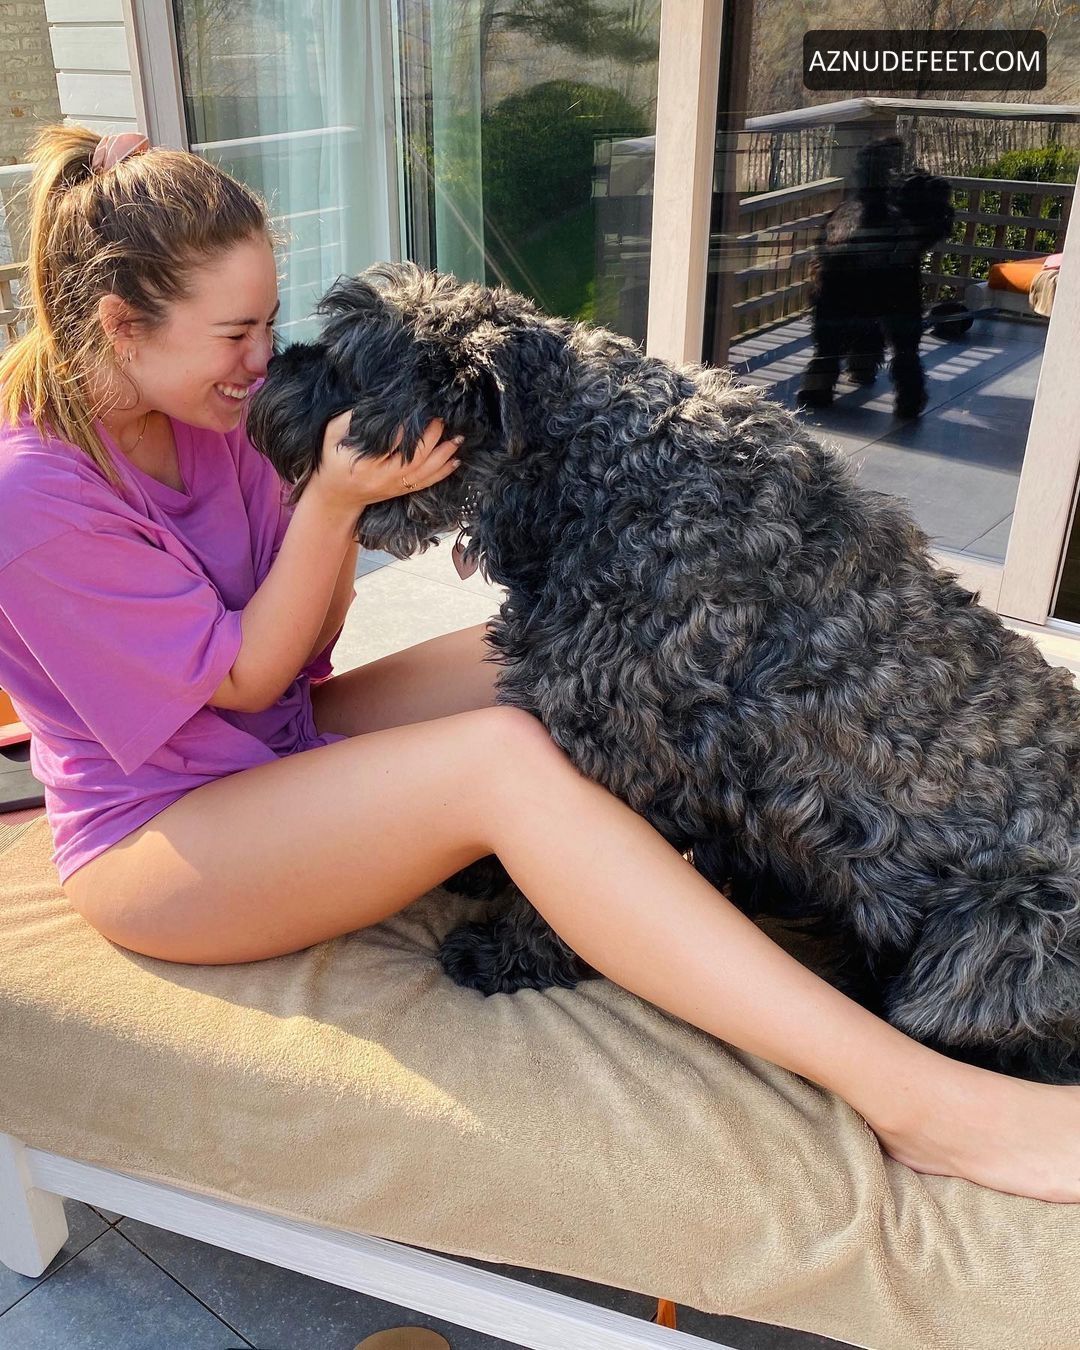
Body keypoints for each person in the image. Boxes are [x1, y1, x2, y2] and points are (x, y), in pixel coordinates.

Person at [2, 125, 1079, 1207]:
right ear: (122, 326)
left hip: (275, 736)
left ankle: (581, 854)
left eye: (271, 324)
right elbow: (242, 677)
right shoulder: (30, 497)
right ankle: (923, 1104)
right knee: (502, 755)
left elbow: (308, 647)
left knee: (573, 665)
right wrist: (329, 501)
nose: (263, 361)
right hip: (167, 834)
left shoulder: (202, 411)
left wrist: (338, 509)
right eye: (237, 332)